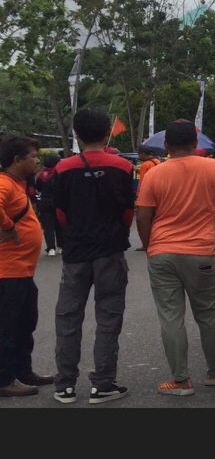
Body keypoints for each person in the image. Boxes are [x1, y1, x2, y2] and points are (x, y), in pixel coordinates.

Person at [134, 120, 215, 396]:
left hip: (162, 253)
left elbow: (143, 215)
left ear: (166, 145)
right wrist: (209, 204)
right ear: (195, 145)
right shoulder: (213, 167)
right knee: (208, 314)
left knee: (171, 317)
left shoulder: (154, 174)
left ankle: (180, 381)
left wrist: (149, 247)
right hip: (199, 252)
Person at [51, 109, 136, 404]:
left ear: (77, 134)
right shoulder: (123, 167)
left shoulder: (62, 168)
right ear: (105, 135)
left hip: (75, 253)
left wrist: (75, 233)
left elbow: (59, 213)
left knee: (68, 317)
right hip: (110, 251)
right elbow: (128, 211)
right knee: (109, 317)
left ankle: (64, 385)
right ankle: (103, 384)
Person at [0, 136, 51, 398]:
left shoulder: (16, 184)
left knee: (25, 323)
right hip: (8, 271)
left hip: (21, 271)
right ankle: (5, 379)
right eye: (32, 156)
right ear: (17, 160)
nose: (37, 160)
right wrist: (9, 228)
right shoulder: (4, 184)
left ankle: (23, 370)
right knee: (7, 327)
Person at [34, 154, 61, 256]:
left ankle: (50, 248)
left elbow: (38, 188)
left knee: (48, 226)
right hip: (57, 202)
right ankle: (61, 246)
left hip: (44, 202)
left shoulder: (41, 174)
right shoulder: (58, 173)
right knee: (59, 225)